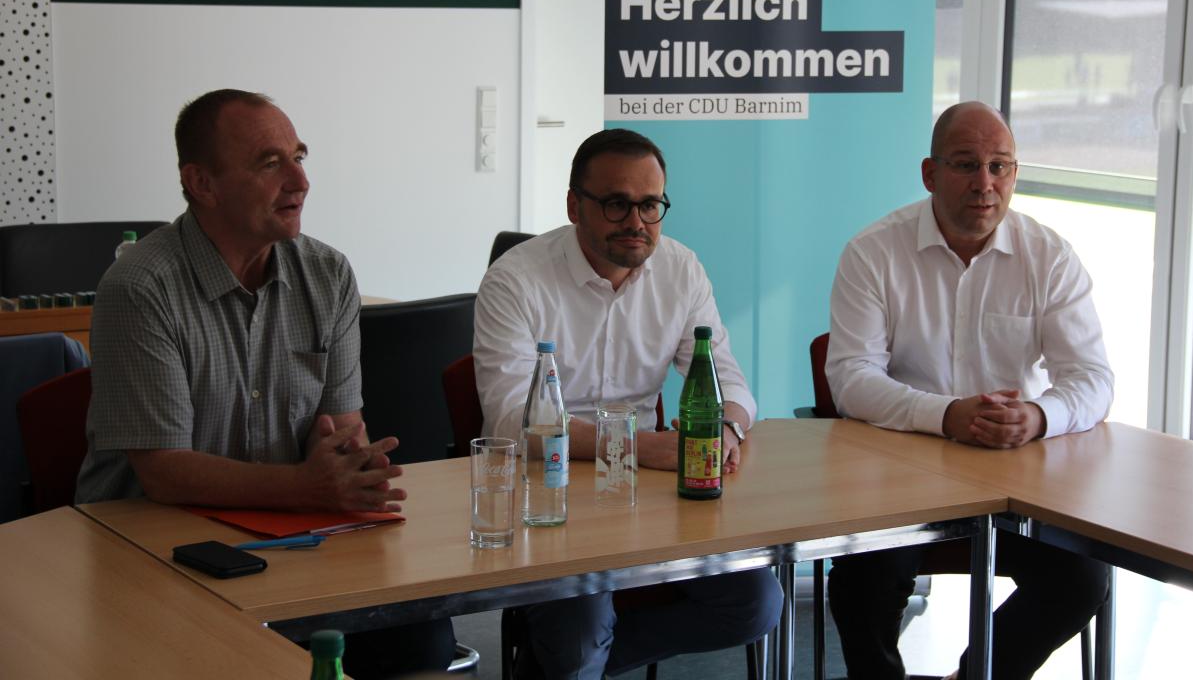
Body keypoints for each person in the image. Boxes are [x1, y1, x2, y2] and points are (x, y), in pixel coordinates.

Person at [75, 89, 455, 679]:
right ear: (202, 183)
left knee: (419, 637)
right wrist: (306, 486)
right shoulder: (141, 288)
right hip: (150, 545)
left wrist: (346, 467)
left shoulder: (327, 273)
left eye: (299, 157)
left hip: (289, 538)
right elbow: (164, 472)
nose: (300, 181)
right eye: (269, 163)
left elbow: (344, 432)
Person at [473, 128, 783, 680]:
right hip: (548, 491)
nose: (637, 222)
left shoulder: (681, 269)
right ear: (575, 206)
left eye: (650, 205)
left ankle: (555, 667)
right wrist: (640, 448)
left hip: (647, 496)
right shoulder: (515, 280)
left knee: (756, 603)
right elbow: (513, 423)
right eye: (617, 204)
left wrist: (726, 433)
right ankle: (572, 659)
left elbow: (730, 384)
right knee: (578, 636)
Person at [825, 101, 1114, 680]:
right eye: (966, 165)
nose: (985, 184)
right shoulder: (873, 252)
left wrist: (1039, 415)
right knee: (861, 582)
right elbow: (851, 377)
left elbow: (1092, 377)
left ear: (1014, 173)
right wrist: (945, 415)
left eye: (999, 166)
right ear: (930, 174)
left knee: (1082, 578)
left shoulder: (1048, 256)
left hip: (1016, 481)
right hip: (899, 477)